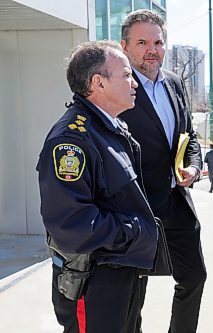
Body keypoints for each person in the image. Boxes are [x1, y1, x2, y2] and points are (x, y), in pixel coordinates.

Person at [37, 40, 158, 332]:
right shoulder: (71, 140)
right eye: (126, 75)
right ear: (98, 83)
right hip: (95, 282)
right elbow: (71, 224)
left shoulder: (109, 127)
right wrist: (133, 231)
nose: (135, 84)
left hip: (122, 272)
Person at [119, 9, 206, 333]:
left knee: (194, 277)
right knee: (133, 291)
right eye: (142, 42)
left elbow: (188, 137)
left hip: (176, 201)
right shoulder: (118, 86)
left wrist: (194, 166)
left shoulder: (174, 82)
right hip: (137, 207)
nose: (152, 49)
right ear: (125, 46)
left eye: (157, 42)